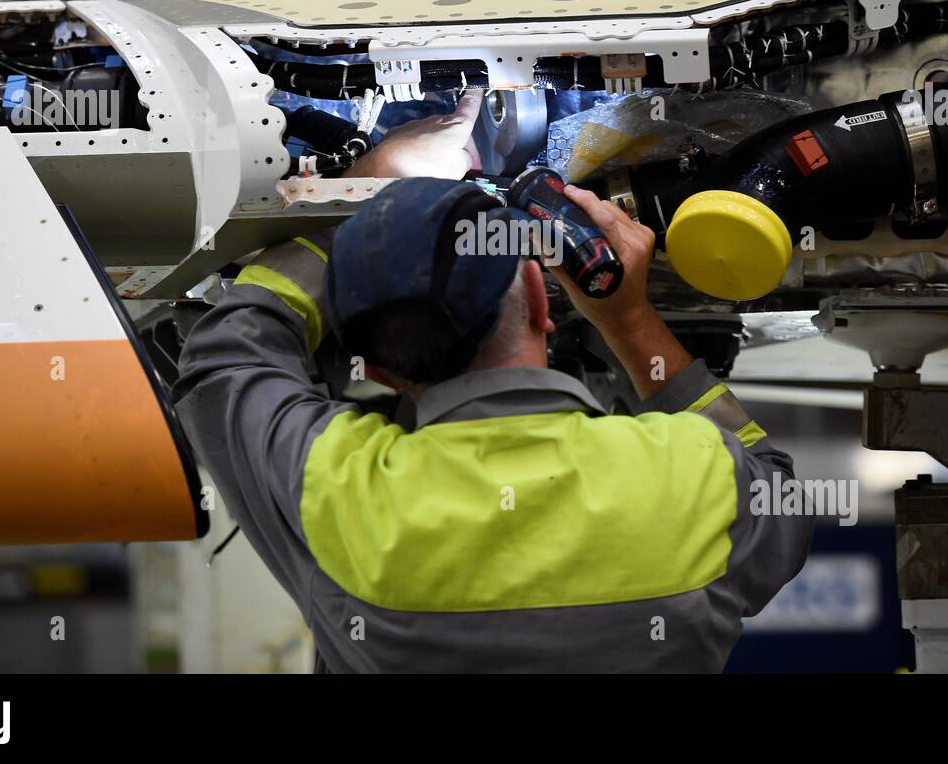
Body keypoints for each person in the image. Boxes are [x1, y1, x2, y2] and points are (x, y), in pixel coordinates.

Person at [173, 90, 812, 672]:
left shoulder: (340, 492)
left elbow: (227, 358)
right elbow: (777, 495)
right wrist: (629, 318)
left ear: (379, 371)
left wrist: (361, 193)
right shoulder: (688, 473)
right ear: (539, 297)